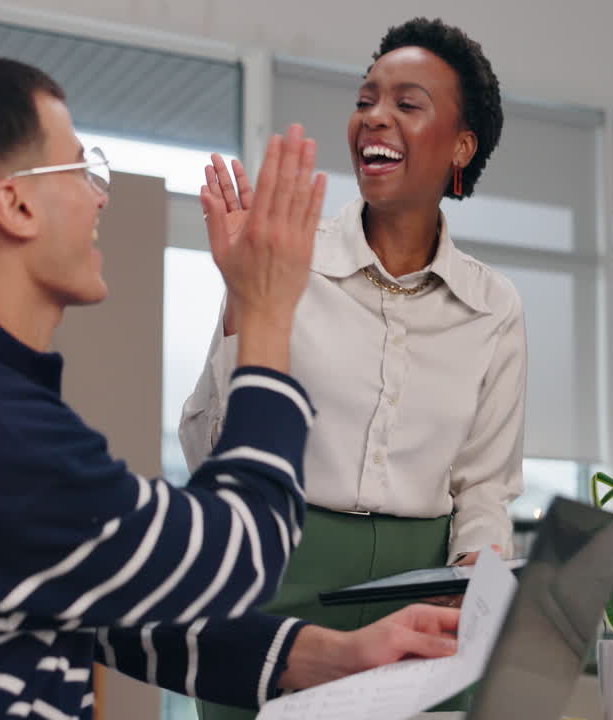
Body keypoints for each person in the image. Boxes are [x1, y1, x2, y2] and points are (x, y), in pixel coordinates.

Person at [0, 57, 462, 720]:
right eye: (80, 169)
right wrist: (268, 309)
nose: (99, 193)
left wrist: (337, 656)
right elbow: (241, 553)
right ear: (16, 205)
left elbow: (119, 610)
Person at [182, 18, 525, 718]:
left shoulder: (494, 307)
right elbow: (207, 448)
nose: (375, 116)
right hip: (274, 580)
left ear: (462, 145)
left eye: (407, 103)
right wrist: (247, 293)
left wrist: (475, 588)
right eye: (367, 98)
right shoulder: (284, 255)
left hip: (416, 603)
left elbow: (484, 485)